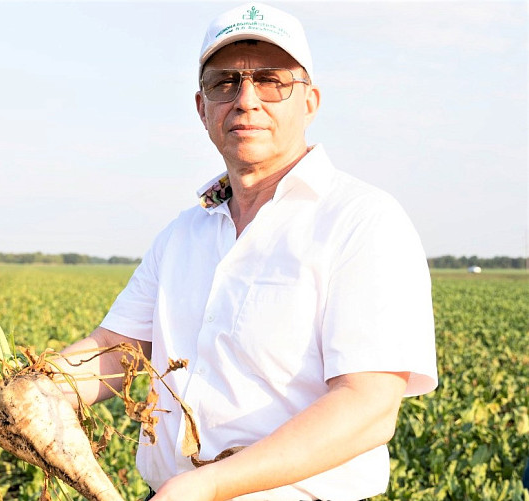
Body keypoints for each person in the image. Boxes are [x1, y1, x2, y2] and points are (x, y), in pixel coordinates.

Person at [56, 3, 438, 501]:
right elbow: (118, 351)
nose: (246, 100)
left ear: (310, 102)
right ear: (202, 107)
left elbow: (368, 406)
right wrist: (31, 385)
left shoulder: (361, 221)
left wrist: (208, 486)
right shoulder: (184, 234)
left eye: (271, 80)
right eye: (225, 83)